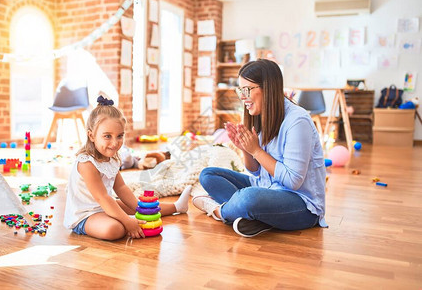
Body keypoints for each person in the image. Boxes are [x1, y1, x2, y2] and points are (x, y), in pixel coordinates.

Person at [192, 59, 327, 237]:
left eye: (247, 89)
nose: (242, 96)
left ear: (268, 88)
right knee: (208, 175)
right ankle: (256, 217)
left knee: (248, 198)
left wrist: (256, 150)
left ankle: (220, 211)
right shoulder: (259, 114)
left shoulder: (297, 121)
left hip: (301, 205)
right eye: (240, 90)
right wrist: (245, 149)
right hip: (266, 188)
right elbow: (256, 172)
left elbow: (293, 181)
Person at [64, 95, 191, 240]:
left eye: (119, 136)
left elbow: (122, 188)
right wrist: (127, 221)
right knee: (115, 229)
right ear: (91, 136)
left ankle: (177, 207)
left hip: (103, 208)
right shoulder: (86, 163)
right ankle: (124, 221)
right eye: (107, 136)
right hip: (84, 215)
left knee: (143, 208)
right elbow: (102, 197)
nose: (115, 142)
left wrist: (139, 208)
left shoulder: (111, 158)